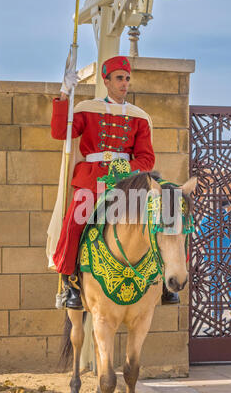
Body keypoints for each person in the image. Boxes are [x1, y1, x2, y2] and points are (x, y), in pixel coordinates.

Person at [47, 55, 179, 309]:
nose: (125, 83)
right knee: (75, 220)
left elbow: (146, 158)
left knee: (163, 213)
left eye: (127, 79)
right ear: (106, 81)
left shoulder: (138, 117)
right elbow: (59, 132)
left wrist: (125, 168)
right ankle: (69, 284)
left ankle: (165, 281)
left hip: (126, 182)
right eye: (119, 78)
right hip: (92, 179)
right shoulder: (88, 109)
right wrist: (64, 94)